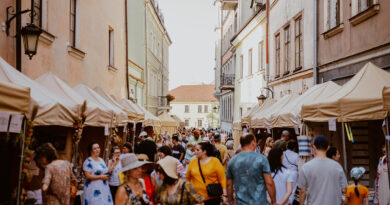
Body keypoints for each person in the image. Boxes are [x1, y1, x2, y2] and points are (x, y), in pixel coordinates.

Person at [226, 134, 276, 205]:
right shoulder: (262, 159)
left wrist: (230, 201)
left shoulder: (232, 161)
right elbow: (269, 183)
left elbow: (229, 184)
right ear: (253, 142)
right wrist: (274, 201)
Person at [298, 136, 348, 205]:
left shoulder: (305, 167)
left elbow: (302, 191)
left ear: (314, 147)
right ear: (328, 147)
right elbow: (344, 190)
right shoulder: (337, 167)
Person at [282, 139, 299, 204]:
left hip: (284, 172)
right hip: (293, 174)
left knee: (284, 189)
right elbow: (298, 166)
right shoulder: (296, 155)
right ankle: (290, 203)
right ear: (294, 148)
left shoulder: (283, 154)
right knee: (292, 190)